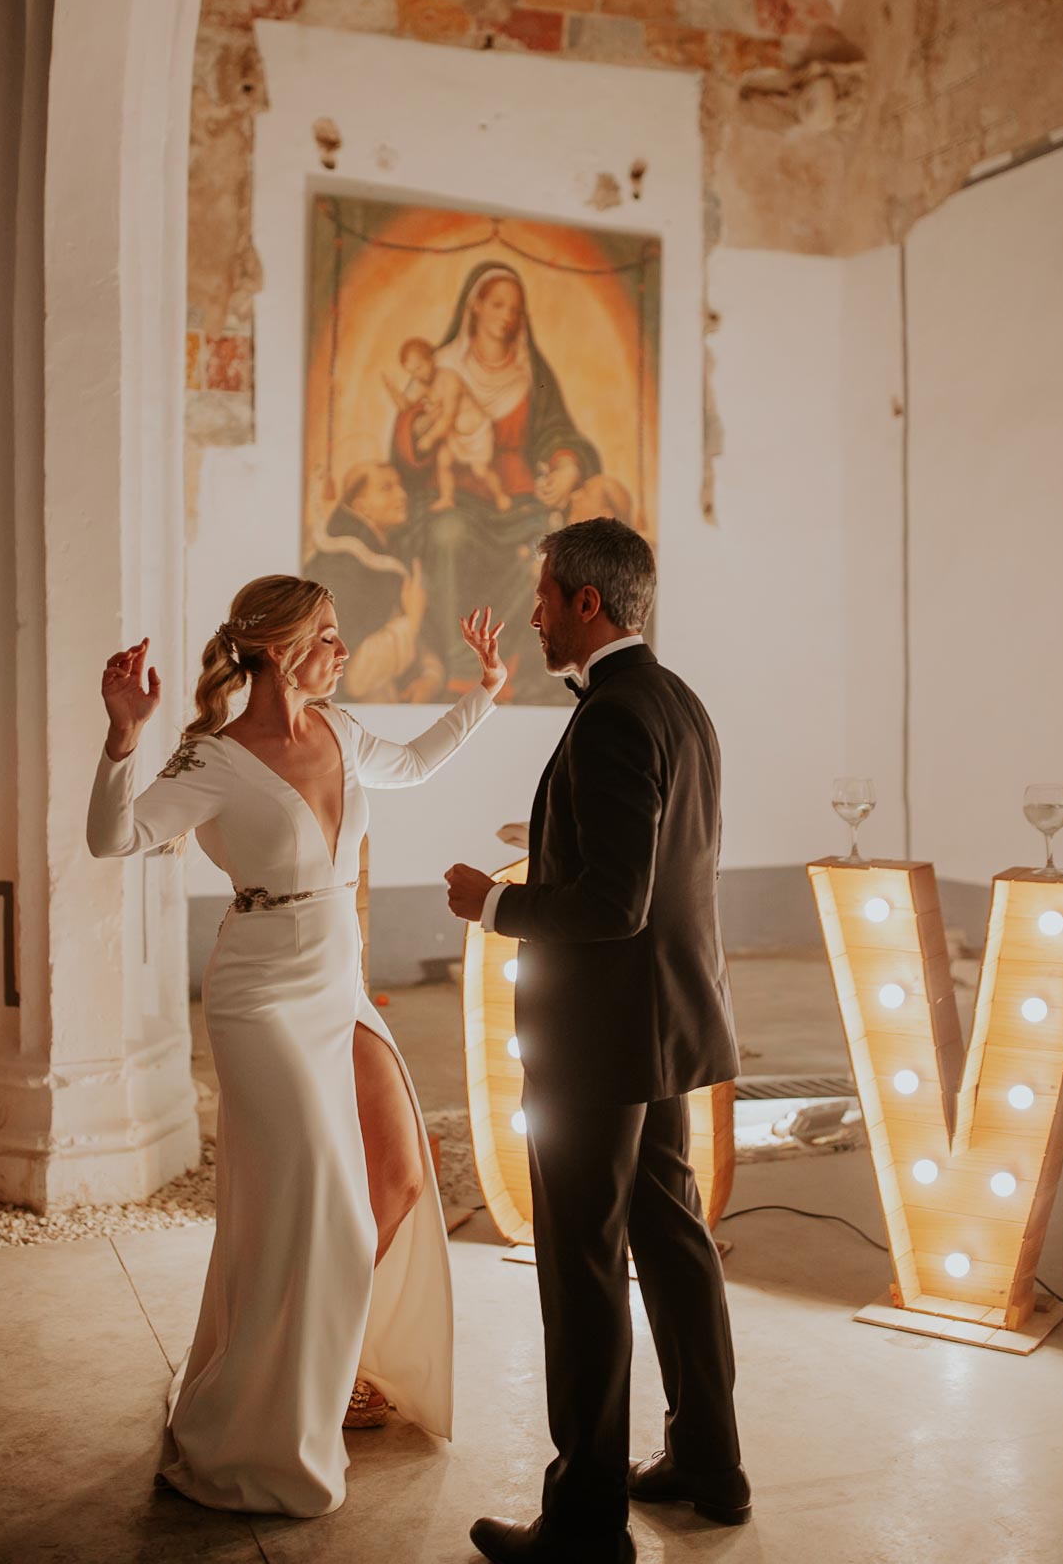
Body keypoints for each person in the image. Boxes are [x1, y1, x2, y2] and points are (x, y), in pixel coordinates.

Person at [87, 576, 506, 1517]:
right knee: (319, 1210)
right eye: (326, 633)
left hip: (339, 982)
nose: (343, 647)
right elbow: (114, 836)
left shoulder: (344, 731)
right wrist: (122, 734)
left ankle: (331, 1364)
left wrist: (485, 691)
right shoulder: (214, 759)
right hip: (261, 996)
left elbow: (415, 763)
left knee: (399, 1176)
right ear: (275, 648)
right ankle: (265, 1427)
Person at [445, 518, 749, 1564]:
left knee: (581, 1266)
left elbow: (615, 903)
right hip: (663, 1022)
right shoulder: (680, 704)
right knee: (672, 1240)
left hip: (599, 1037)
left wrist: (494, 905)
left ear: (587, 600)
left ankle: (582, 1525)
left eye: (542, 594)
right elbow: (660, 874)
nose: (532, 612)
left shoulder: (618, 716)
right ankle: (711, 1464)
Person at [390, 262, 600, 699]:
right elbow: (407, 442)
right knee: (448, 534)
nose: (507, 315)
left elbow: (558, 432)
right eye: (498, 304)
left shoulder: (529, 373)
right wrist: (420, 431)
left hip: (516, 498)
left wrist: (566, 465)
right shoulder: (444, 366)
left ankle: (518, 663)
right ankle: (461, 669)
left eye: (516, 308)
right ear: (475, 305)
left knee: (546, 547)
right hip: (456, 494)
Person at [303, 461, 443, 703]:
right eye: (386, 488)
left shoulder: (390, 552)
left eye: (399, 486)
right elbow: (357, 676)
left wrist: (432, 676)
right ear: (360, 506)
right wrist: (412, 621)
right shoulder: (341, 563)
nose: (402, 495)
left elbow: (418, 637)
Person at [386, 337, 512, 514]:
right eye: (412, 372)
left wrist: (429, 438)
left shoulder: (449, 379)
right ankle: (447, 498)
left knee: (481, 470)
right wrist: (393, 393)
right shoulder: (423, 385)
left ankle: (501, 496)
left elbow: (448, 418)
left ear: (430, 359)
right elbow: (407, 407)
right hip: (455, 435)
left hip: (476, 434)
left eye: (419, 367)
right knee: (443, 461)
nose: (417, 375)